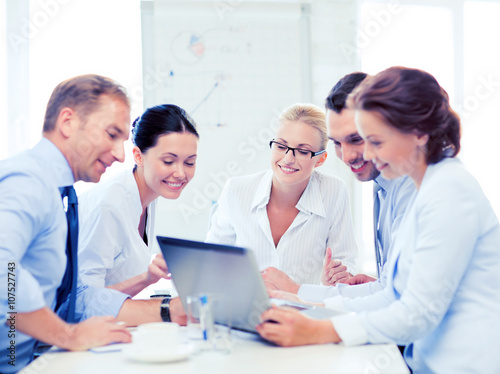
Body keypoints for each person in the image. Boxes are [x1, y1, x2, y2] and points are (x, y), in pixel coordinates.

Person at [256, 66, 500, 374]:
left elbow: (416, 314)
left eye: (376, 141)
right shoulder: (424, 186)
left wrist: (318, 329)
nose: (363, 154)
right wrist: (307, 304)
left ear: (419, 134)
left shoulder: (449, 191)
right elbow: (391, 294)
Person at [0, 75, 185, 373]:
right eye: (111, 134)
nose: (120, 154)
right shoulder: (29, 182)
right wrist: (68, 335)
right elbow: (4, 270)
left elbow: (75, 296)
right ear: (68, 122)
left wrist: (163, 311)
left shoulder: (62, 193)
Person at [262, 72, 415, 302]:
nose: (347, 156)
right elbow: (399, 289)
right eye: (337, 143)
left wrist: (297, 292)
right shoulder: (381, 185)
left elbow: (408, 302)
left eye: (356, 139)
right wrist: (379, 287)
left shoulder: (414, 188)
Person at [206, 103, 358, 285]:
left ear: (320, 159)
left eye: (302, 151)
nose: (288, 159)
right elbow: (211, 261)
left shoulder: (334, 191)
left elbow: (346, 262)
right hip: (246, 310)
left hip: (306, 310)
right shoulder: (236, 191)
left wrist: (336, 277)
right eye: (281, 146)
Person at [78, 104, 199, 297]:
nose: (180, 173)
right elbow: (84, 300)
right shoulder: (110, 205)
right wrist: (146, 278)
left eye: (190, 162)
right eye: (168, 161)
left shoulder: (150, 194)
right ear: (138, 156)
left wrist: (150, 277)